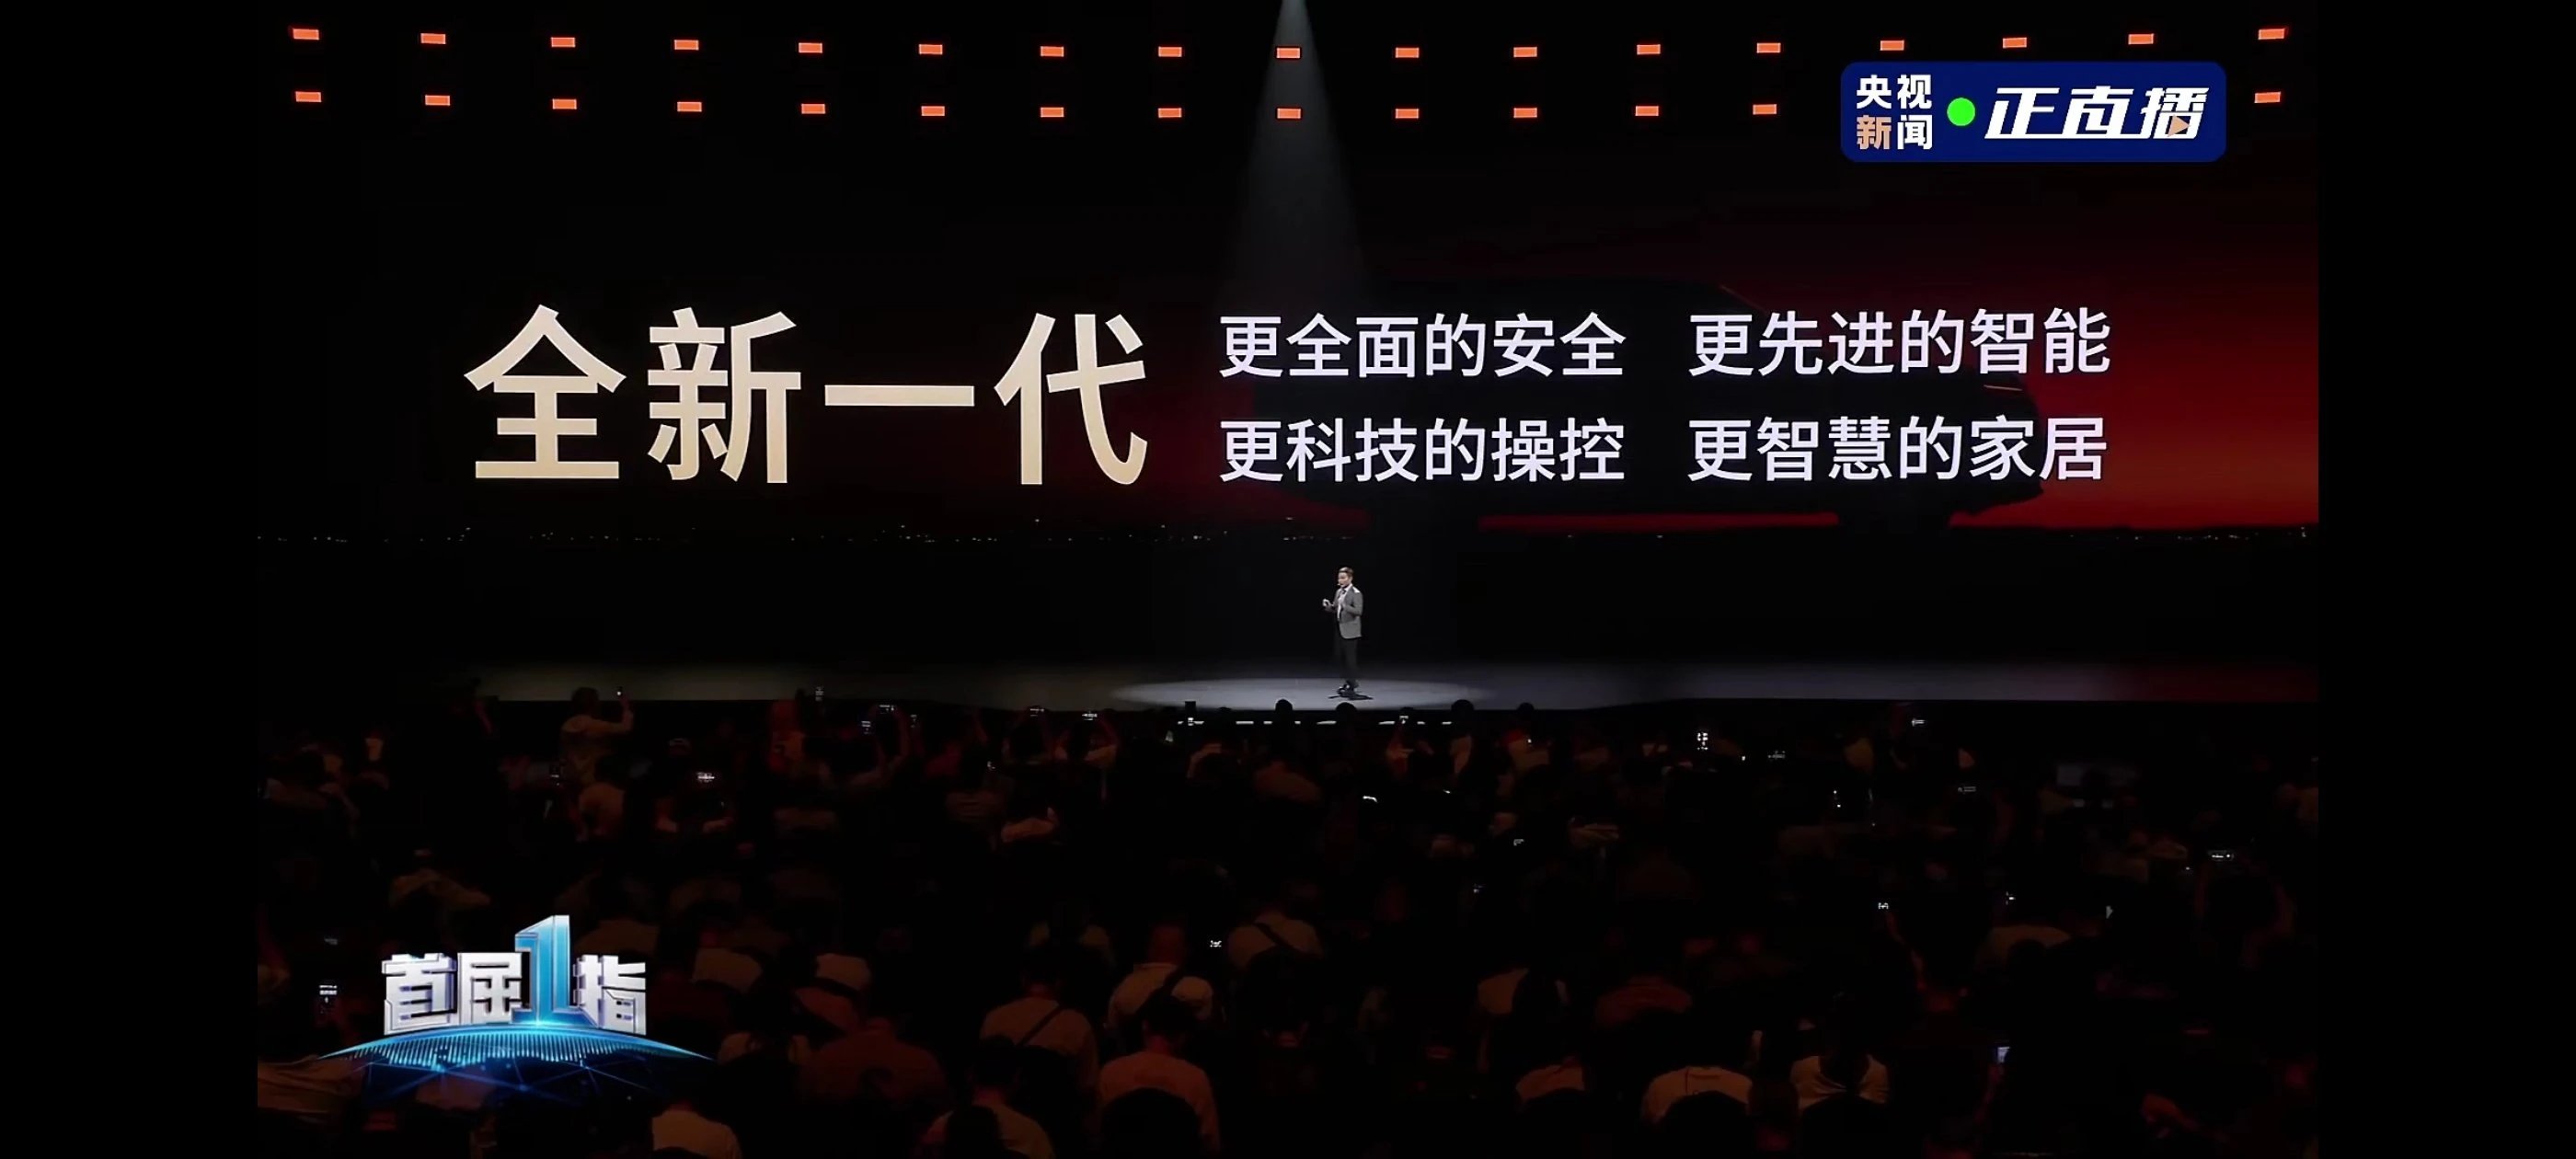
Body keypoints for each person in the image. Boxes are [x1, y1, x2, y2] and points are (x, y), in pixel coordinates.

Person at [1319, 566, 1363, 699]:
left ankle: (1352, 685)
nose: (1340, 580)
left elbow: (1358, 611)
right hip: (1339, 629)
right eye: (1339, 578)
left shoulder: (1356, 593)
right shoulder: (1339, 592)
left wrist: (1345, 606)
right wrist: (1328, 606)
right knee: (1339, 657)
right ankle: (1348, 681)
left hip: (1351, 630)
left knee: (1350, 660)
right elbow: (1335, 608)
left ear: (1350, 578)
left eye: (1343, 578)